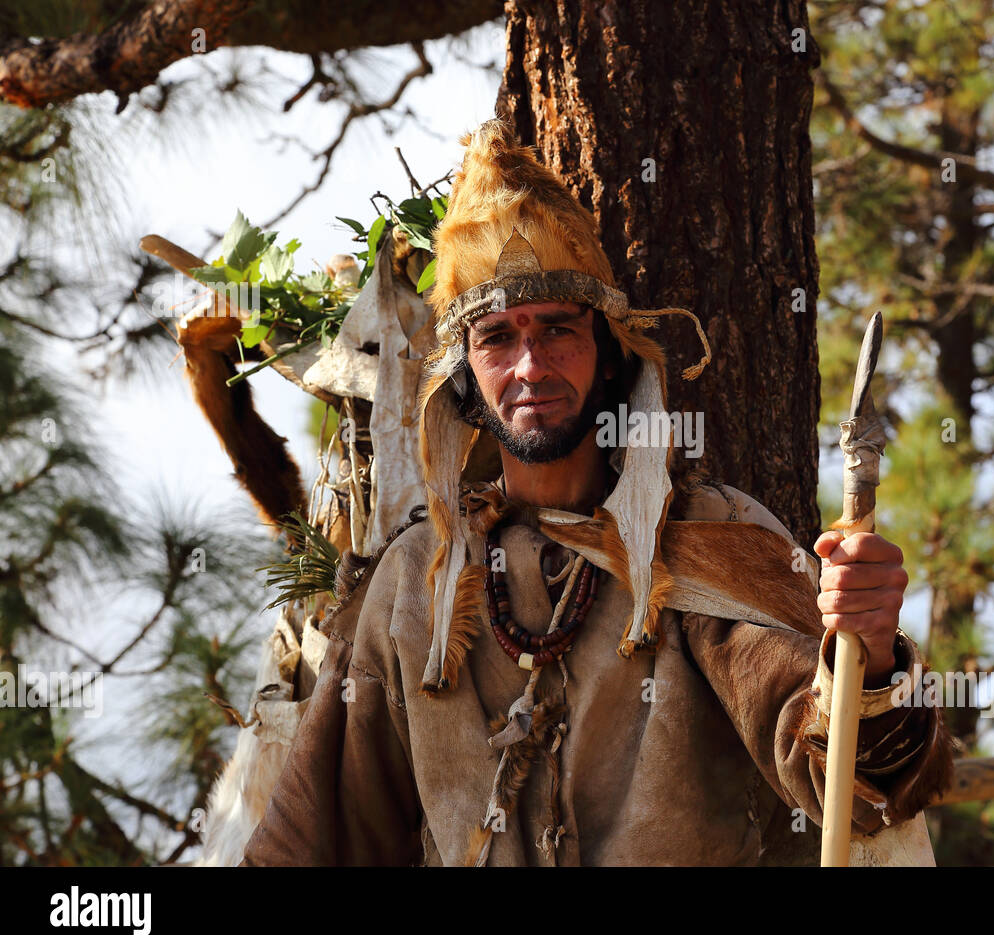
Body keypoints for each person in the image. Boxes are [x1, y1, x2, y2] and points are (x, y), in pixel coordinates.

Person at [240, 118, 953, 867]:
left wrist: (867, 654)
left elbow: (851, 785)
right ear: (466, 382)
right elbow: (317, 838)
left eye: (556, 330)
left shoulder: (706, 537)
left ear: (609, 357)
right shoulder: (412, 583)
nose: (529, 366)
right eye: (497, 338)